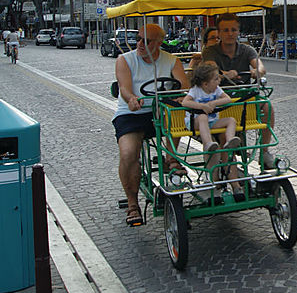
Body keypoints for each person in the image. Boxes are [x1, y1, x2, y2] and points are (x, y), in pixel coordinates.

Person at [113, 23, 190, 226]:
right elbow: (124, 88)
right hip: (133, 112)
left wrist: (180, 95)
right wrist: (131, 99)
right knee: (129, 153)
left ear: (159, 43)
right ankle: (132, 204)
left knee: (176, 112)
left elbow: (184, 84)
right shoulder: (125, 60)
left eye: (146, 40)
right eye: (138, 38)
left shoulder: (171, 60)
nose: (140, 43)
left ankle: (170, 158)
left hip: (161, 109)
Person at [202, 13, 275, 170]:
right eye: (225, 30)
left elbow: (260, 66)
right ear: (219, 33)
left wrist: (258, 71)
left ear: (238, 31)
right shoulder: (210, 51)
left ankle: (264, 151)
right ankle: (230, 171)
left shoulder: (246, 50)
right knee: (224, 137)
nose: (230, 33)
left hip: (243, 99)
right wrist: (222, 74)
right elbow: (210, 68)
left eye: (233, 30)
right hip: (221, 101)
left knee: (267, 105)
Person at [181, 62, 243, 195]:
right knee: (202, 117)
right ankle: (208, 142)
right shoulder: (196, 90)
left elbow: (227, 99)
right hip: (196, 121)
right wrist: (201, 107)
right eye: (216, 79)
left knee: (231, 120)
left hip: (212, 121)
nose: (219, 80)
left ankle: (230, 140)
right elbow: (185, 102)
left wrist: (214, 102)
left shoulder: (216, 90)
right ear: (205, 84)